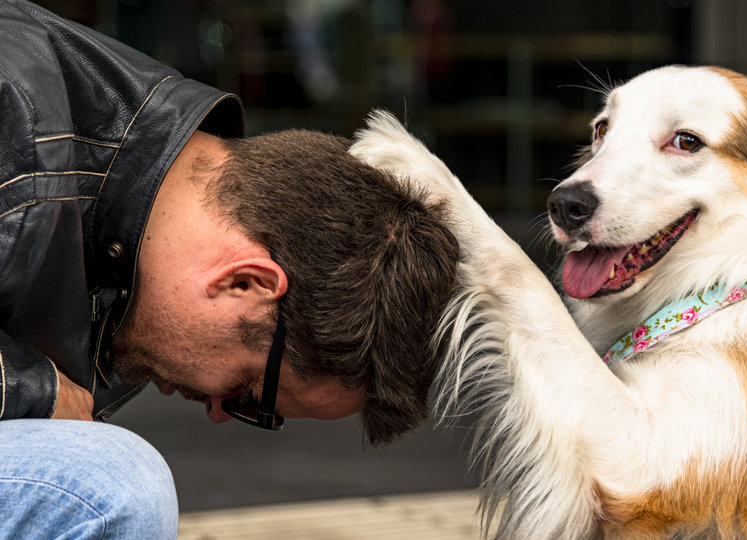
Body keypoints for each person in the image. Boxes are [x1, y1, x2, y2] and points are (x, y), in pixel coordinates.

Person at [0, 1, 459, 537]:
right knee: (105, 486)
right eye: (247, 393)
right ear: (247, 282)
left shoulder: (117, 208)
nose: (218, 411)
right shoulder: (16, 106)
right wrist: (29, 390)